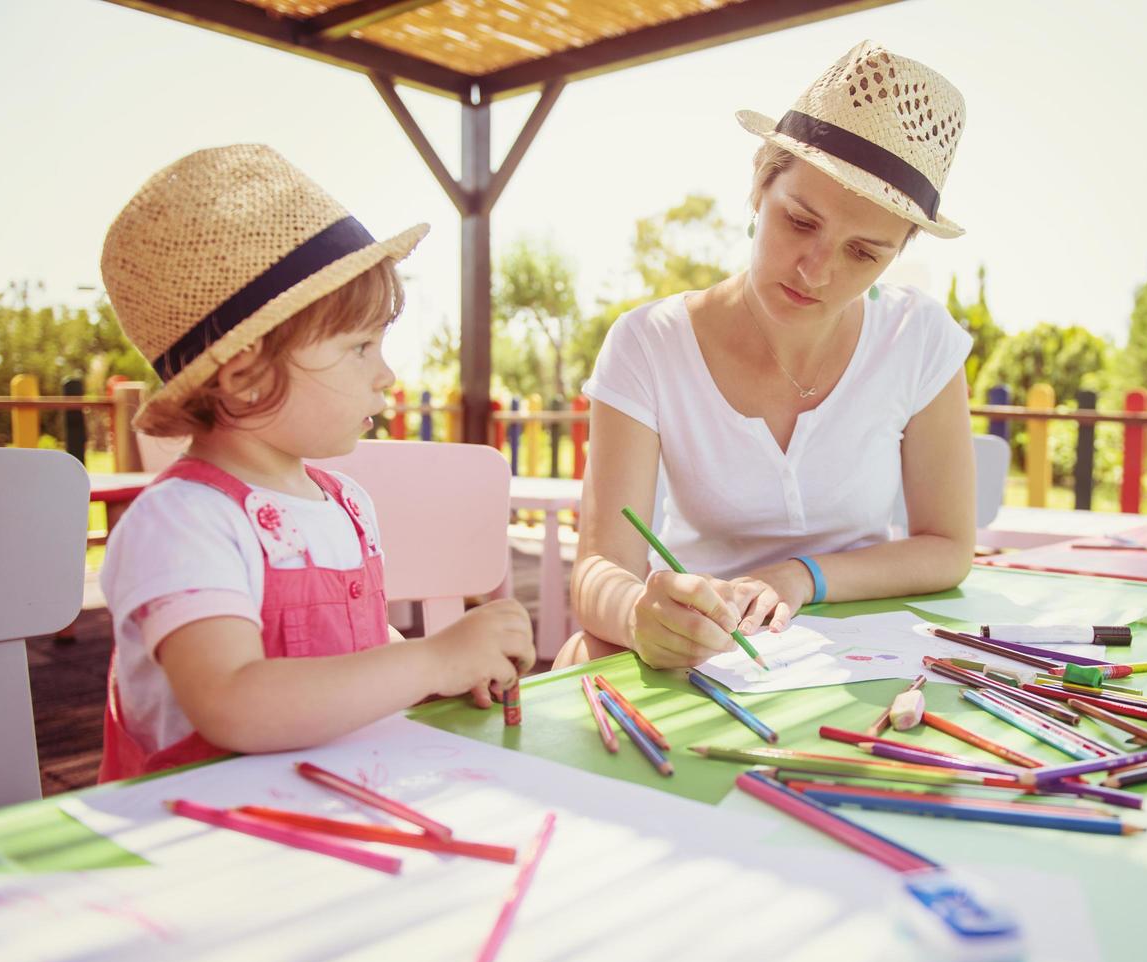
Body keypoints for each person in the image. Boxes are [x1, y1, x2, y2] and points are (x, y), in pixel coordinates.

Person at [97, 145, 533, 781]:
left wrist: (445, 668)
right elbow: (232, 701)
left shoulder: (343, 502)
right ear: (247, 376)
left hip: (328, 805)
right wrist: (432, 662)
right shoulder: (183, 521)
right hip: (200, 840)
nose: (387, 375)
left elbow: (353, 648)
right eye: (360, 347)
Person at [561, 41, 977, 670]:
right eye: (801, 222)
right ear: (760, 185)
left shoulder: (918, 338)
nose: (815, 271)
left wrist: (801, 577)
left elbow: (948, 548)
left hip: (867, 660)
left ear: (897, 252)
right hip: (703, 653)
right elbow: (601, 567)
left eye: (863, 253)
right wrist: (637, 615)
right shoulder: (648, 344)